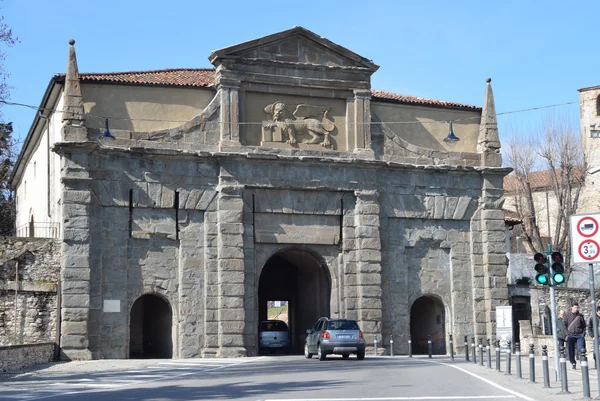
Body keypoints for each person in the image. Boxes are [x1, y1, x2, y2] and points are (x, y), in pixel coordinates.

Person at [564, 302, 586, 369]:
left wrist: (583, 334)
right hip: (571, 334)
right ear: (572, 307)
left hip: (579, 334)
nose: (576, 309)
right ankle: (573, 362)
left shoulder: (580, 316)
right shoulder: (567, 315)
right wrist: (567, 334)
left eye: (577, 307)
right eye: (575, 307)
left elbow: (584, 325)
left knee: (581, 348)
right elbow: (564, 325)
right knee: (571, 349)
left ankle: (583, 362)